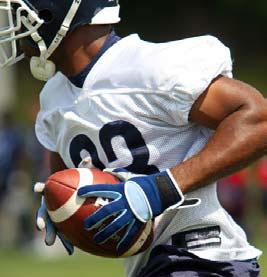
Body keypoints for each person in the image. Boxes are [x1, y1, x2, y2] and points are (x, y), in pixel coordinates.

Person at [0, 0, 265, 276]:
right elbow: (65, 175)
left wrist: (161, 188)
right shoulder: (53, 99)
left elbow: (258, 119)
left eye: (20, 15)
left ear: (53, 13)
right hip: (149, 266)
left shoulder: (148, 67)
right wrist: (59, 202)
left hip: (203, 256)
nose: (12, 27)